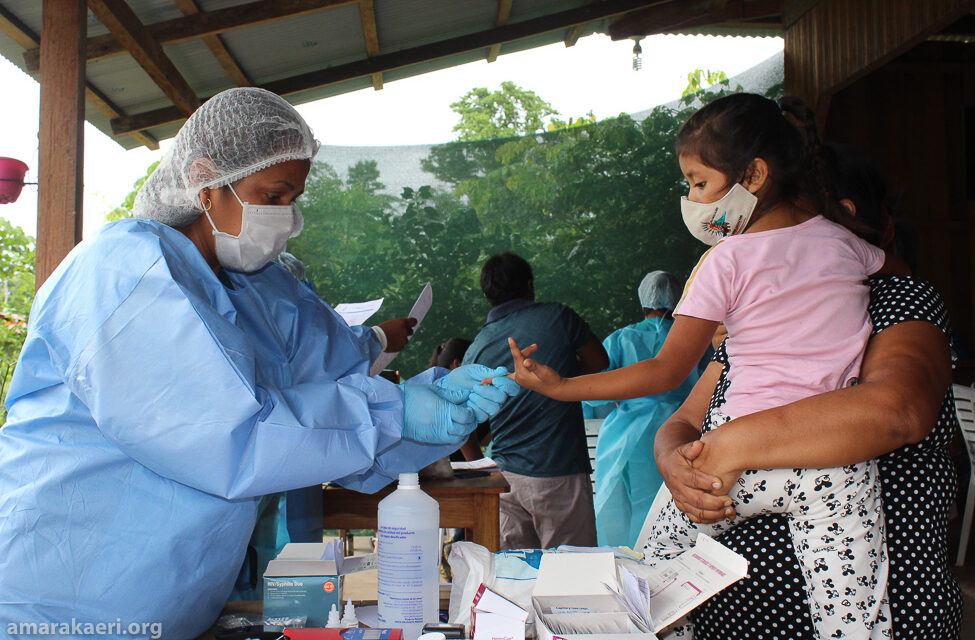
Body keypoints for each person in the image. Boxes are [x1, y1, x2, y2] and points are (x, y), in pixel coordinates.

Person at [0, 87, 519, 640]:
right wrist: (395, 411)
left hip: (172, 607)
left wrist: (438, 407)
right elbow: (229, 435)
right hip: (56, 601)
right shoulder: (124, 272)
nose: (287, 218)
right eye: (271, 194)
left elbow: (325, 424)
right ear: (204, 181)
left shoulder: (266, 293)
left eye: (293, 198)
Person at [507, 93, 904, 639]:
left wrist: (562, 387)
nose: (691, 199)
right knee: (857, 618)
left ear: (754, 174)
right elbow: (900, 274)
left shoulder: (724, 262)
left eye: (698, 182)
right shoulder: (844, 244)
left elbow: (666, 372)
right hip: (834, 463)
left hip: (726, 461)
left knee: (653, 592)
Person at [656, 141, 962, 639]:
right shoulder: (761, 308)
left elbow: (895, 411)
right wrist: (674, 460)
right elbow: (686, 420)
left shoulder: (898, 298)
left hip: (879, 606)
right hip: (732, 615)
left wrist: (720, 450)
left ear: (839, 220)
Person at [464, 251, 608, 549]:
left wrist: (483, 471)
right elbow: (598, 360)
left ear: (487, 295)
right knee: (571, 580)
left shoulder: (477, 348)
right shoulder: (558, 317)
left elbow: (461, 423)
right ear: (529, 285)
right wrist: (562, 384)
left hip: (503, 480)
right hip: (559, 474)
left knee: (512, 580)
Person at [586, 270, 699, 548]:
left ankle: (636, 567)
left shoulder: (621, 338)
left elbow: (595, 396)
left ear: (643, 303)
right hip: (686, 430)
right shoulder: (695, 338)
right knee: (681, 505)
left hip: (631, 435)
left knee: (639, 505)